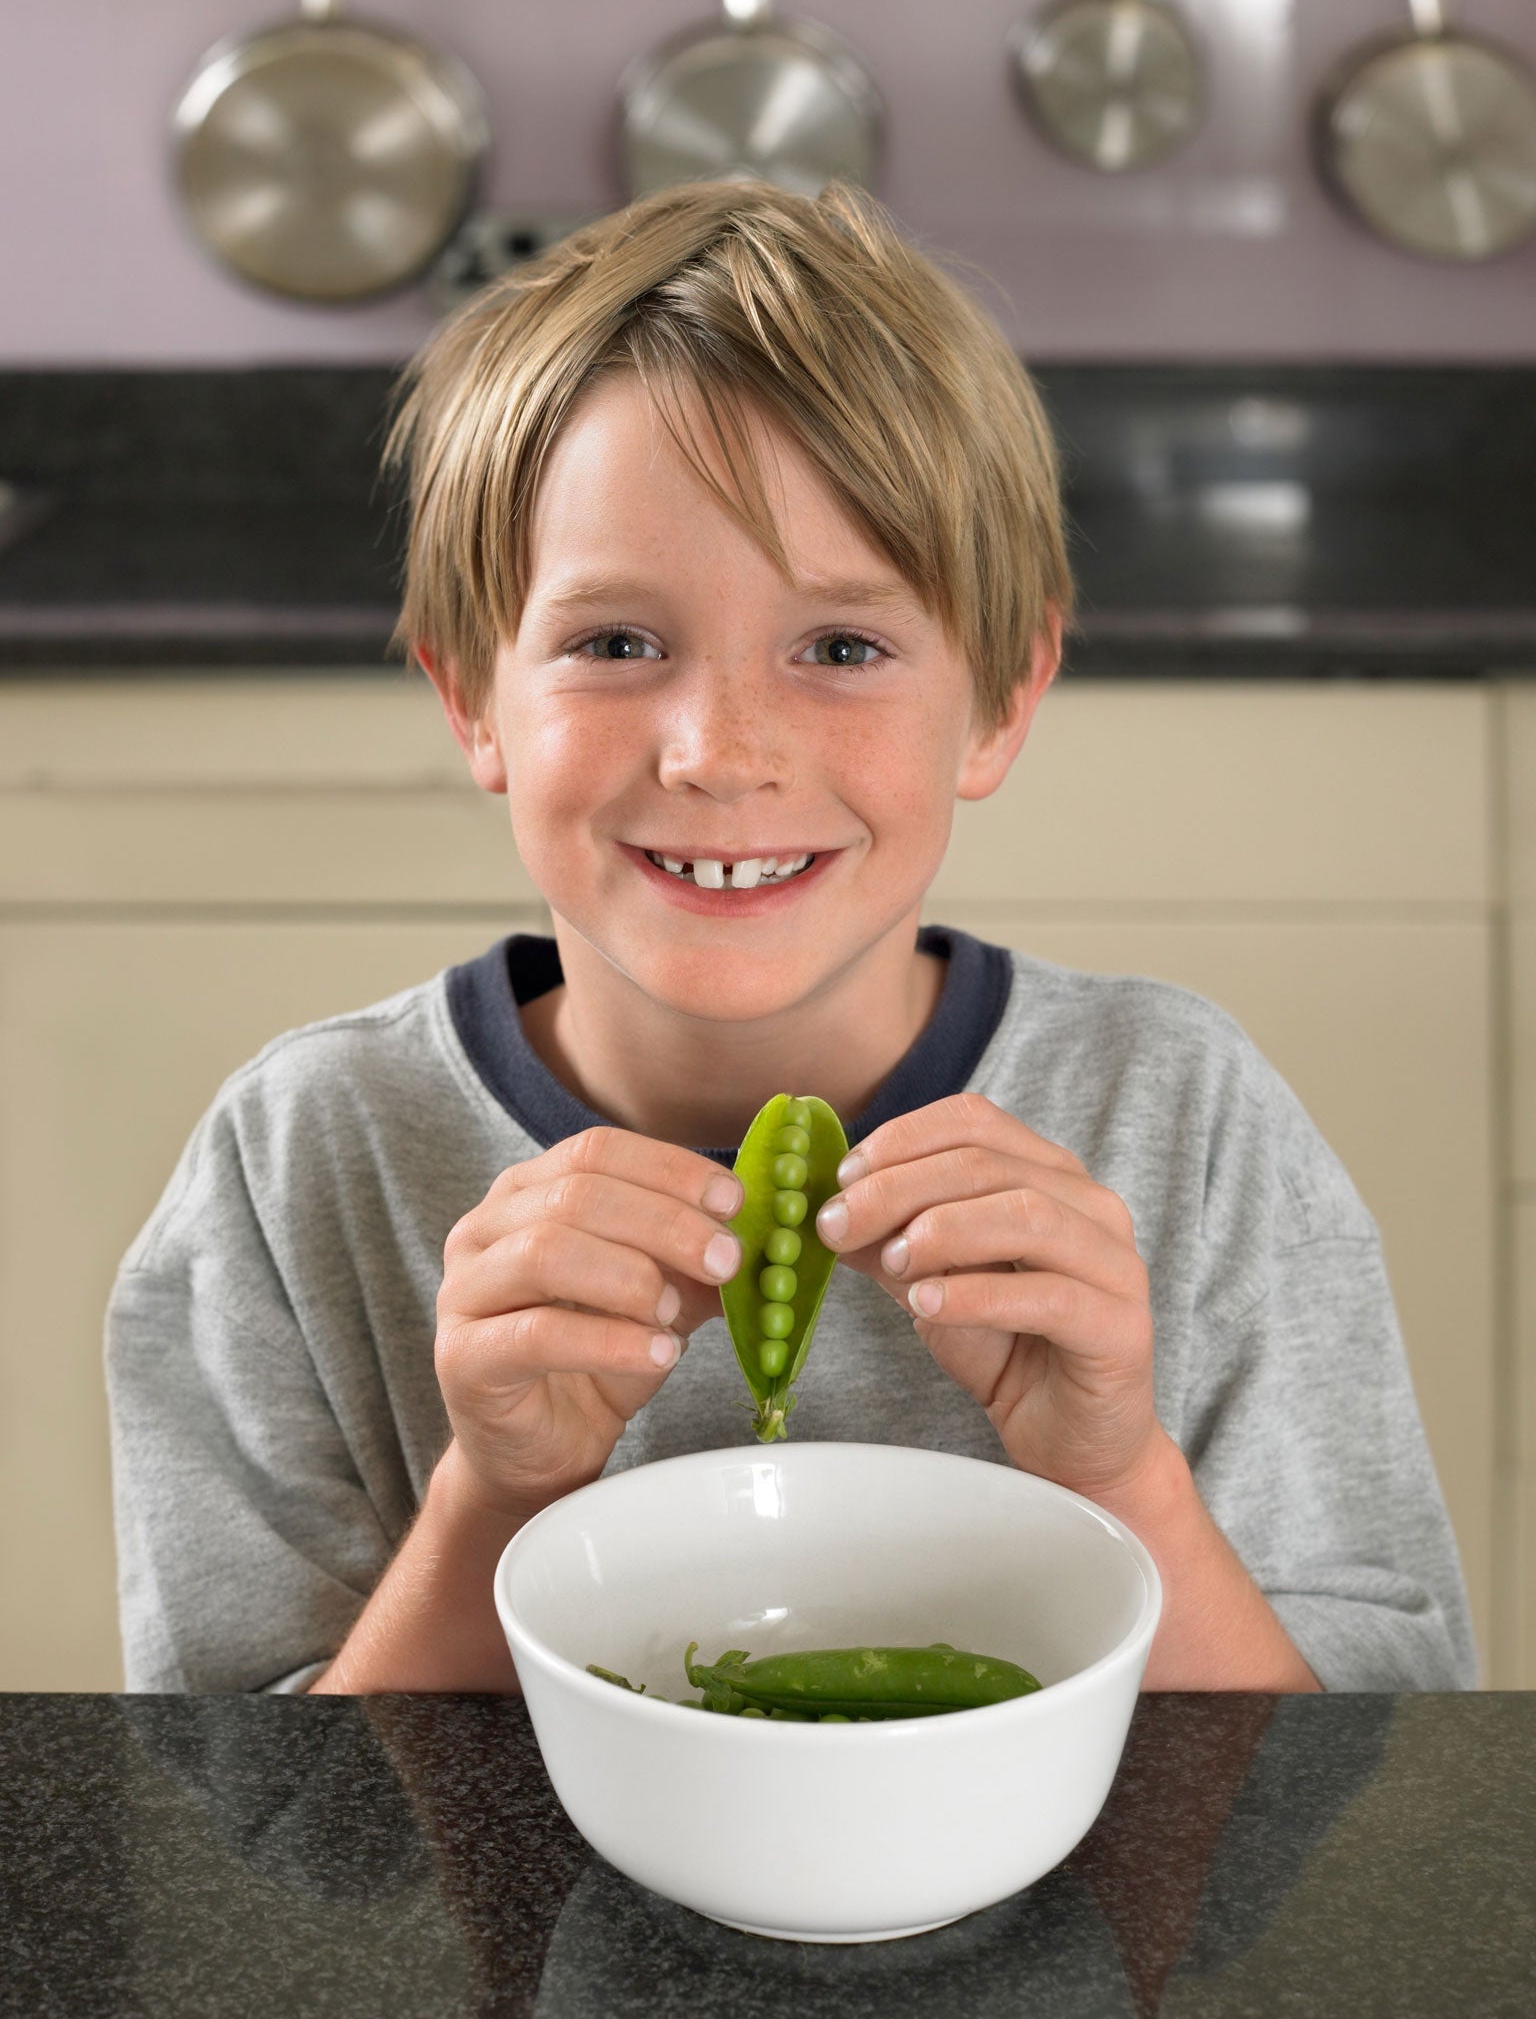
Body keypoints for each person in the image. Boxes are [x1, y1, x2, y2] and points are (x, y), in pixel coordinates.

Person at [105, 178, 1475, 1697]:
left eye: (842, 647)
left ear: (1004, 700)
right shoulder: (304, 1161)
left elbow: (1375, 1810)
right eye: (615, 644)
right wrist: (497, 1500)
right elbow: (260, 1860)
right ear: (472, 700)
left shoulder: (1184, 1118)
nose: (719, 750)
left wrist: (1118, 1478)